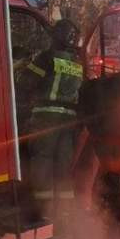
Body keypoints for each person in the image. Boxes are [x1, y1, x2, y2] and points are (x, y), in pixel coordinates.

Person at [23, 19, 84, 226]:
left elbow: (25, 82)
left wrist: (22, 67)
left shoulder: (46, 58)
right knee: (63, 165)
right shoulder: (77, 63)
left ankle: (43, 211)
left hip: (46, 117)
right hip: (68, 121)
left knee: (42, 160)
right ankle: (64, 212)